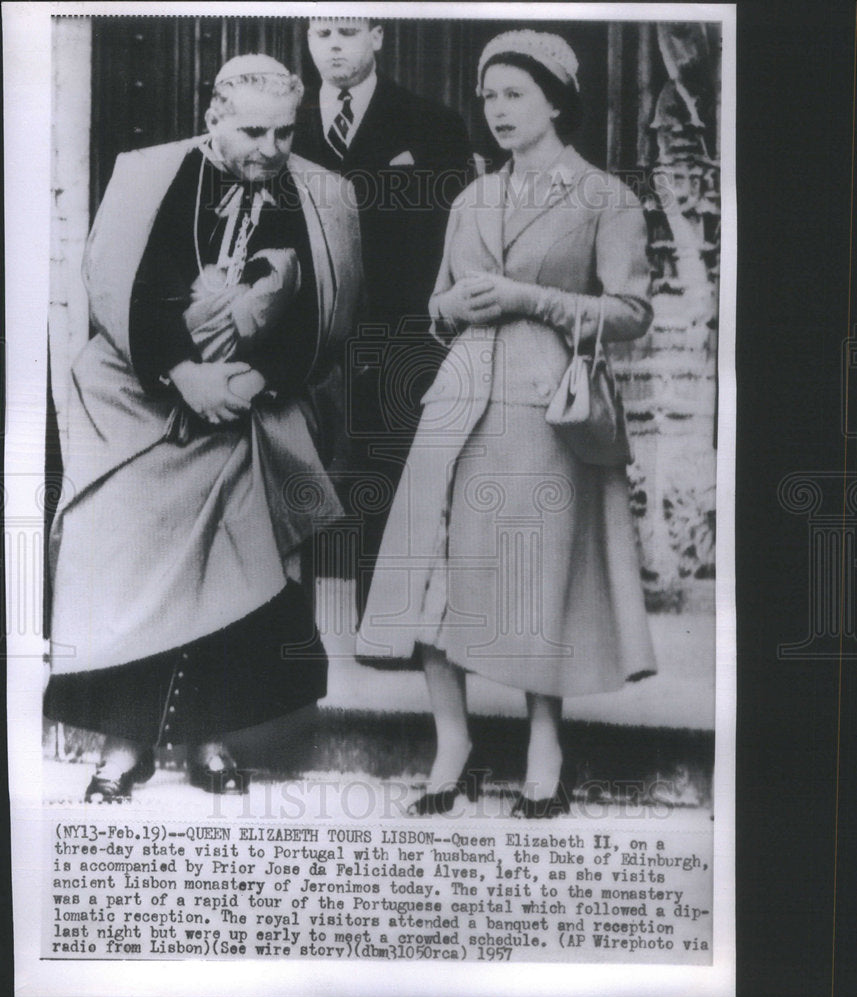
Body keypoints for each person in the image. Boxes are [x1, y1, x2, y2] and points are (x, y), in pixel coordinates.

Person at [44, 54, 363, 803]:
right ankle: (123, 747)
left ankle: (207, 740)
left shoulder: (319, 193)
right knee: (122, 557)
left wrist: (259, 379)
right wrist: (180, 373)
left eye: (285, 133)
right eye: (253, 131)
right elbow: (117, 289)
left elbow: (328, 316)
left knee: (228, 570)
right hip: (140, 400)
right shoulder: (148, 174)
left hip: (245, 410)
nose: (270, 149)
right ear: (213, 117)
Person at [357, 31, 657, 818]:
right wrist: (443, 309)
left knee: (533, 576)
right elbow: (439, 303)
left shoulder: (603, 197)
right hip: (457, 402)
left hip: (539, 405)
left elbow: (630, 312)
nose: (496, 110)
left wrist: (534, 301)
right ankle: (451, 743)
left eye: (514, 94)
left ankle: (542, 748)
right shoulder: (470, 197)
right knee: (431, 571)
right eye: (487, 97)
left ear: (556, 100)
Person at [293, 18, 471, 615]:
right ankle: (293, 632)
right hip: (301, 328)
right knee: (293, 463)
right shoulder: (281, 122)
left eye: (347, 30)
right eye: (321, 33)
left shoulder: (432, 124)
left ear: (377, 34)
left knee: (389, 469)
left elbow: (457, 234)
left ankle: (382, 623)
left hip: (400, 332)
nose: (334, 45)